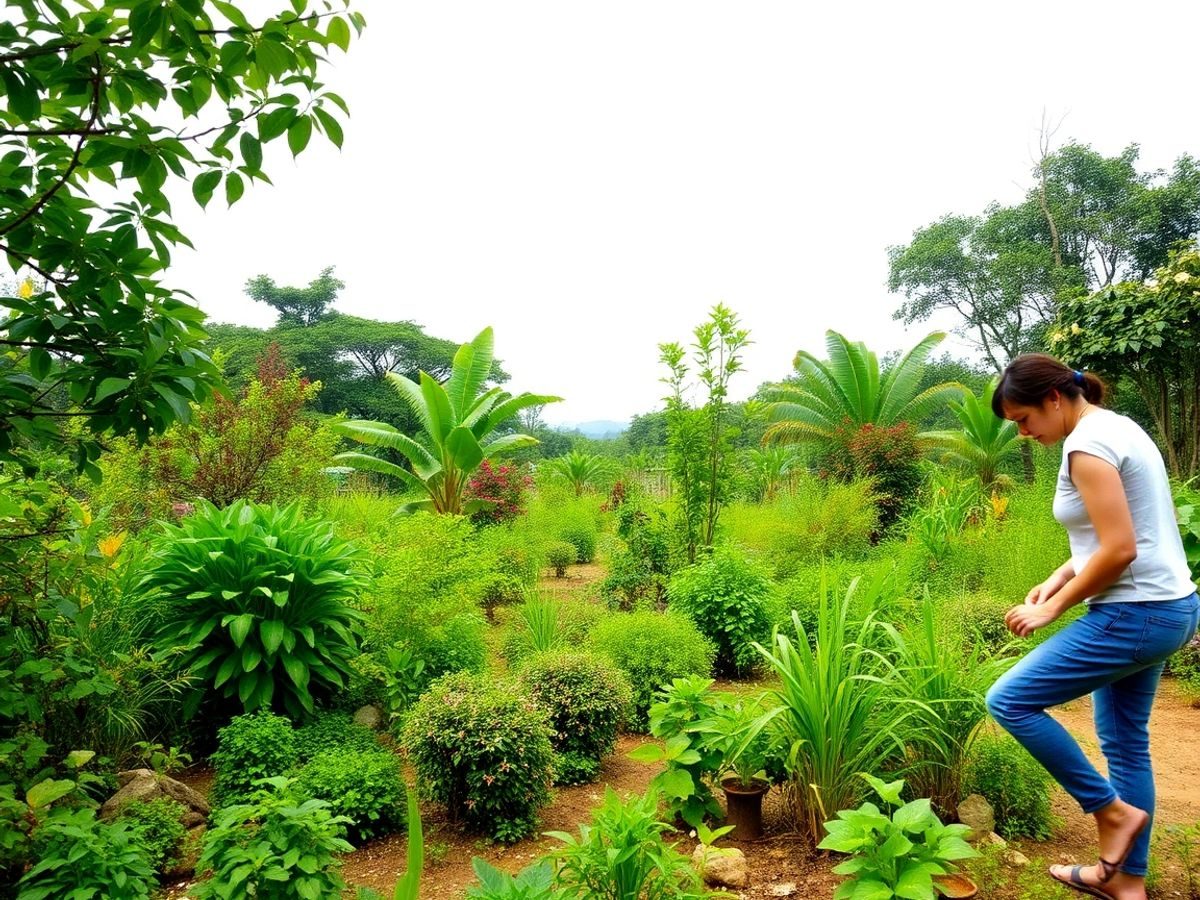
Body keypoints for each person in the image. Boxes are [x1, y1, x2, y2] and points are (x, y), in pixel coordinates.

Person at [983, 353, 1199, 900]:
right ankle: (1127, 882)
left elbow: (1122, 548)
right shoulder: (1116, 427)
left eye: (1024, 420)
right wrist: (1056, 578)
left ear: (1053, 399)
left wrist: (1052, 609)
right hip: (1170, 607)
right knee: (1125, 743)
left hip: (1136, 612)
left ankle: (1108, 813)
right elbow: (1123, 532)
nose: (1024, 433)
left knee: (1009, 701)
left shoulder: (1087, 447)